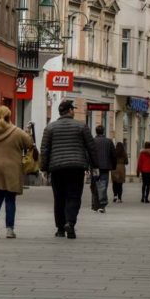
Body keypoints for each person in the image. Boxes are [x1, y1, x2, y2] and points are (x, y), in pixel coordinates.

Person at [40, 99, 95, 239]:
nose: (74, 111)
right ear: (70, 111)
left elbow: (44, 149)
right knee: (74, 196)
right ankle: (70, 222)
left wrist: (44, 168)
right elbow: (91, 147)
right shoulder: (81, 126)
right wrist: (95, 166)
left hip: (57, 168)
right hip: (76, 168)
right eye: (73, 109)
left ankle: (60, 229)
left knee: (59, 198)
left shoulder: (50, 128)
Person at [0, 106, 34, 239]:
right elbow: (30, 144)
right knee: (10, 199)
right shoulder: (17, 132)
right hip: (12, 168)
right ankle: (9, 230)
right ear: (9, 116)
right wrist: (28, 132)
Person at [89, 125, 116, 213]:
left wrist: (88, 166)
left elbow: (89, 154)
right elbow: (113, 155)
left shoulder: (92, 141)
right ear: (103, 131)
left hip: (95, 167)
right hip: (105, 168)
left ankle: (95, 205)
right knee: (103, 186)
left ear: (96, 131)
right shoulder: (109, 141)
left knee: (95, 185)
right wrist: (113, 166)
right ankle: (102, 205)